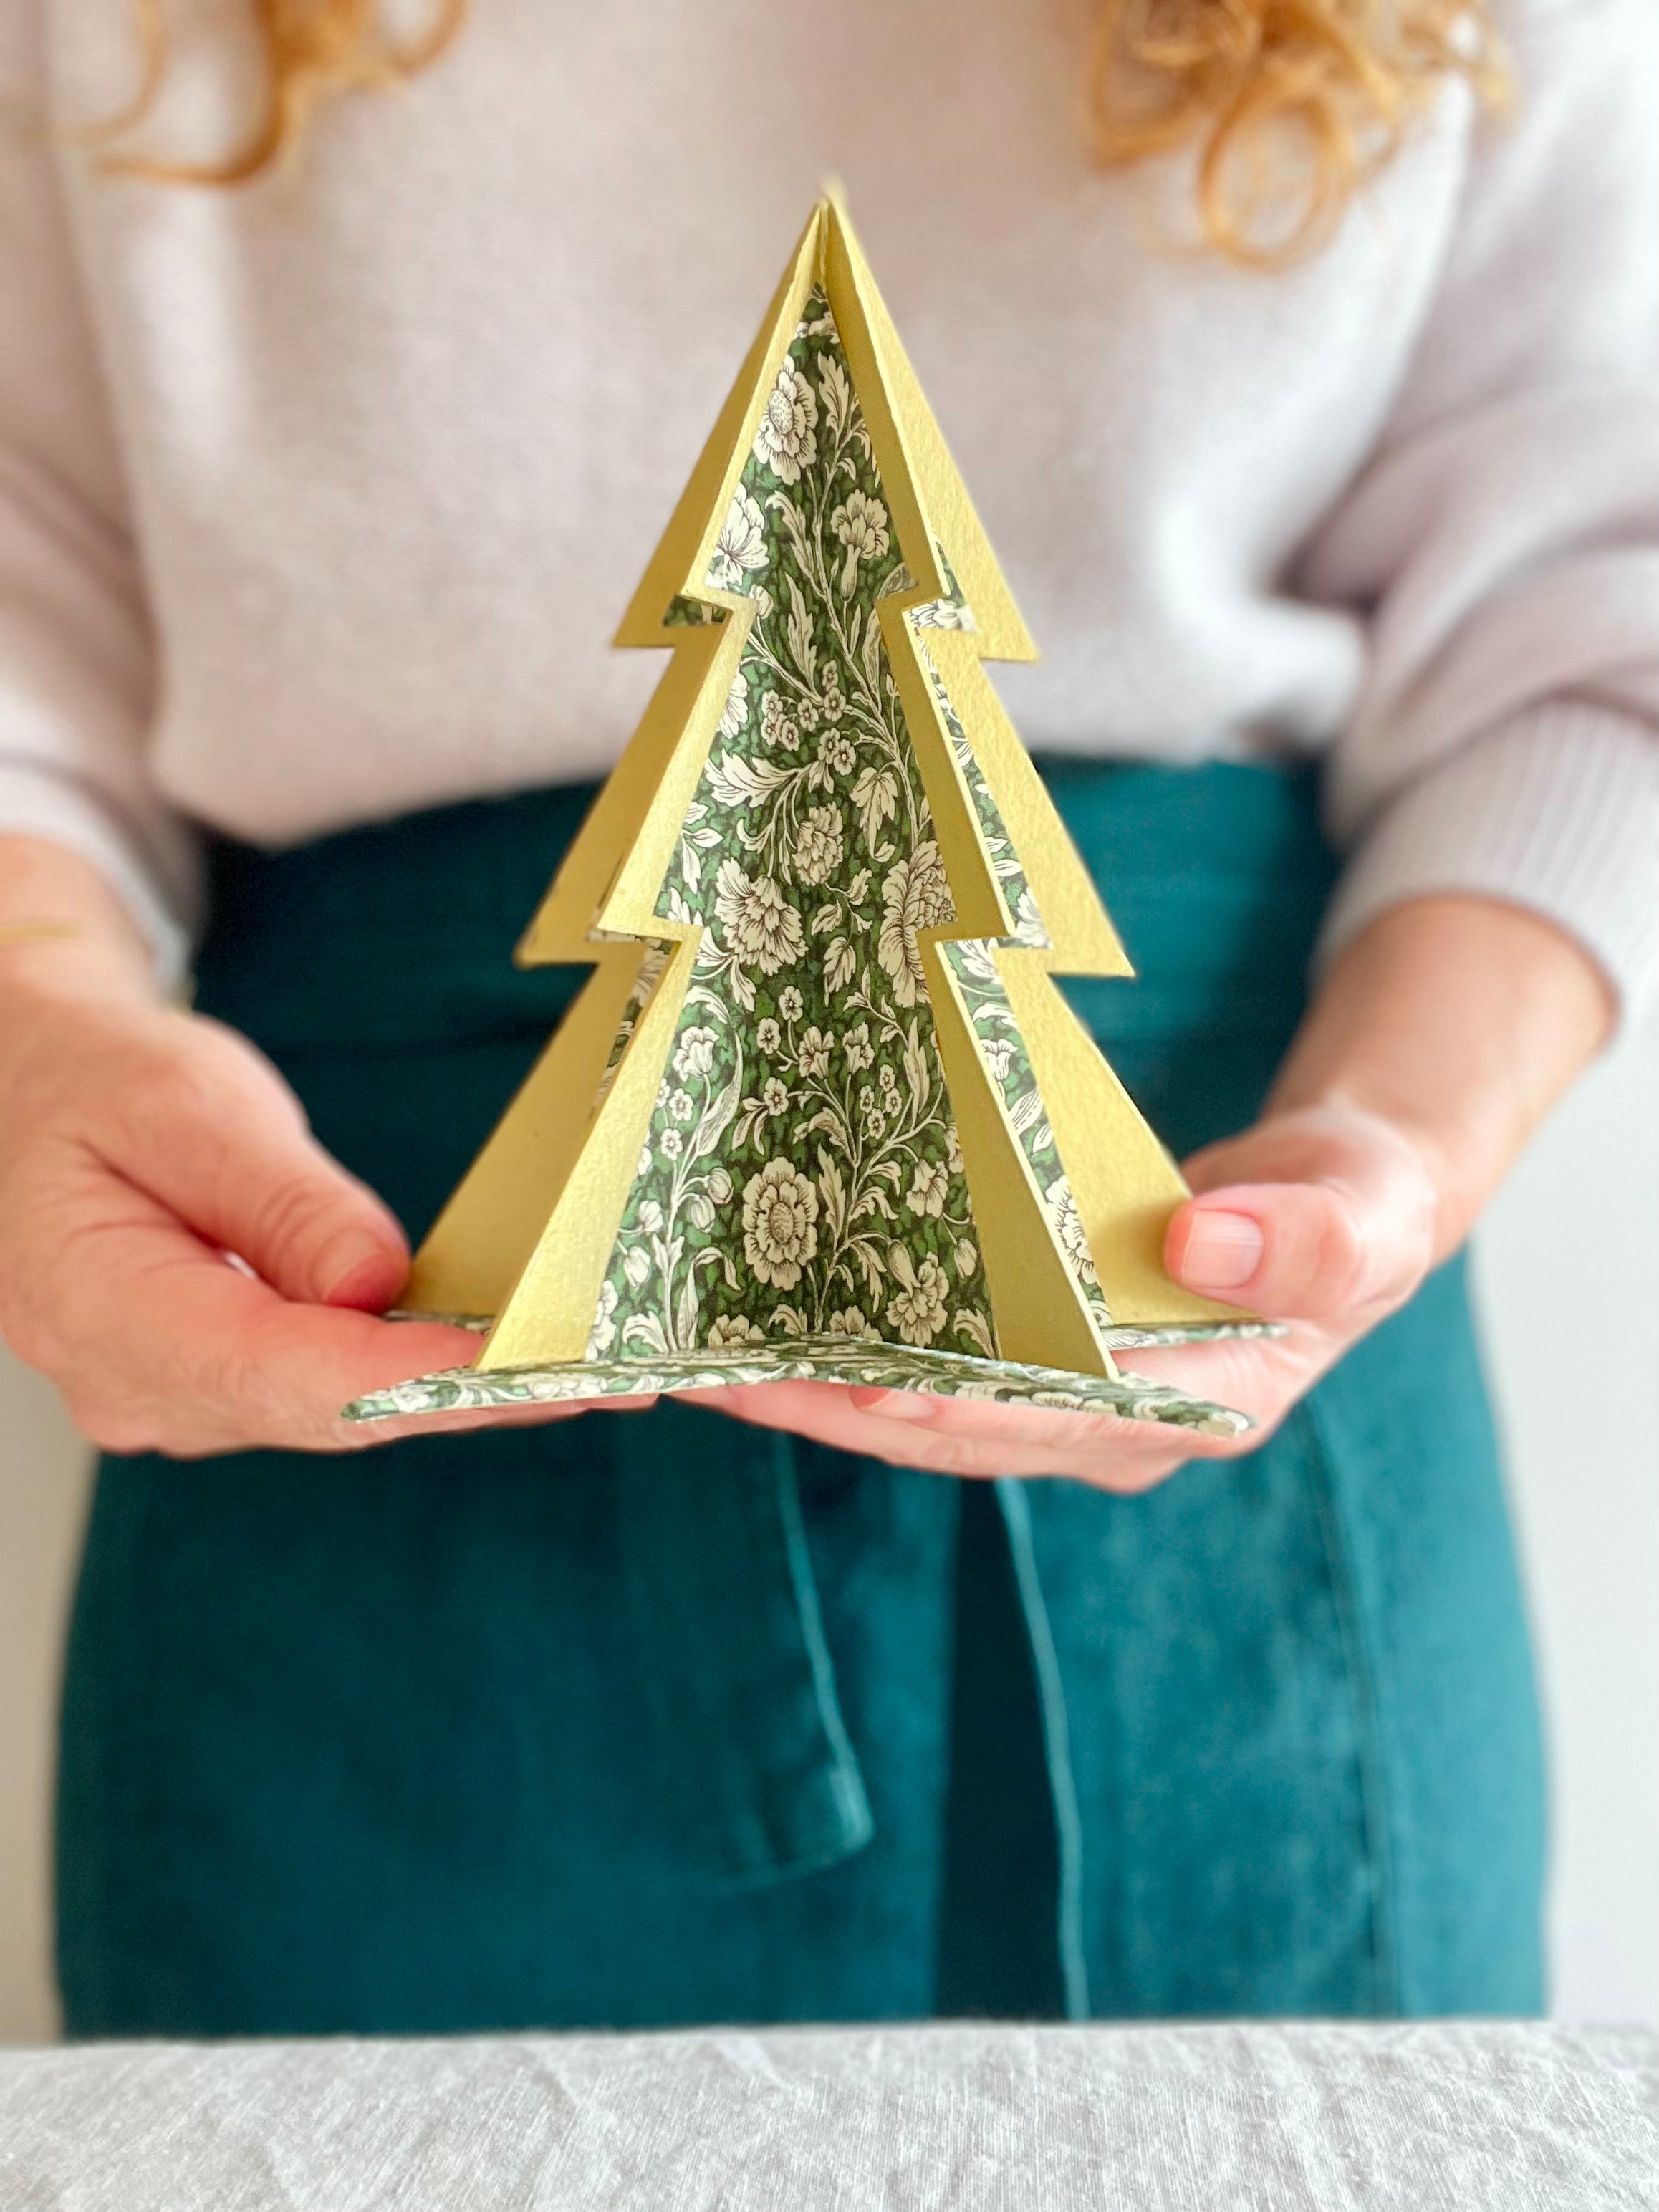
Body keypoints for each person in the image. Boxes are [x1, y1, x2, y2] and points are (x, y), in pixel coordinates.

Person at [1, 0, 1653, 2035]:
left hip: (1213, 1283)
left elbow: (1588, 613)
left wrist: (1394, 1145)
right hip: (354, 1360)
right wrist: (32, 1027)